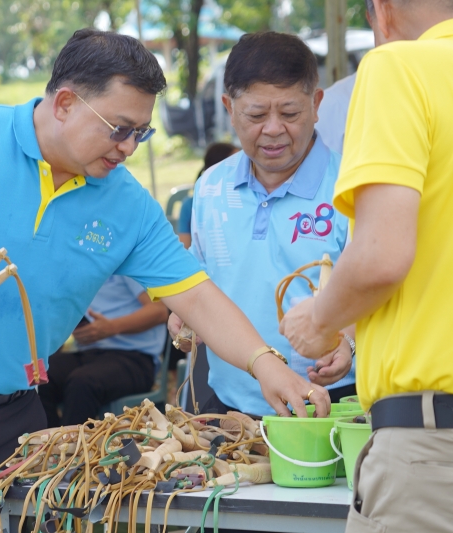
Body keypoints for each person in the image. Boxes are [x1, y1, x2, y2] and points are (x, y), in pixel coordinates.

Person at [0, 29, 330, 533]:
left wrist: (266, 364)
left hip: (10, 422)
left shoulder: (126, 204)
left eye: (141, 133)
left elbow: (197, 296)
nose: (129, 147)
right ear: (66, 103)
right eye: (119, 128)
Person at [280, 0, 453, 530]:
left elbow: (380, 256)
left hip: (433, 447)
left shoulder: (400, 66)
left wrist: (320, 319)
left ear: (382, 10)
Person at [171, 32, 357, 416]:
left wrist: (350, 343)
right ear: (229, 107)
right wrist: (184, 315)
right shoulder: (211, 186)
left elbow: (380, 285)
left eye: (289, 113)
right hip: (229, 403)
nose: (273, 129)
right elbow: (199, 279)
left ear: (316, 104)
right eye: (256, 115)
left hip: (330, 402)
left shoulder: (352, 187)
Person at [39, 275, 168, 426]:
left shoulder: (127, 263)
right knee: (40, 374)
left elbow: (160, 311)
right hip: (90, 353)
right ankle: (48, 439)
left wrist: (111, 328)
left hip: (135, 358)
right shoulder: (78, 270)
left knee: (83, 383)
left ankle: (75, 441)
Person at [178, 142, 239, 248]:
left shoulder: (244, 201)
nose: (244, 169)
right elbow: (184, 248)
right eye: (236, 164)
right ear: (218, 170)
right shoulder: (191, 205)